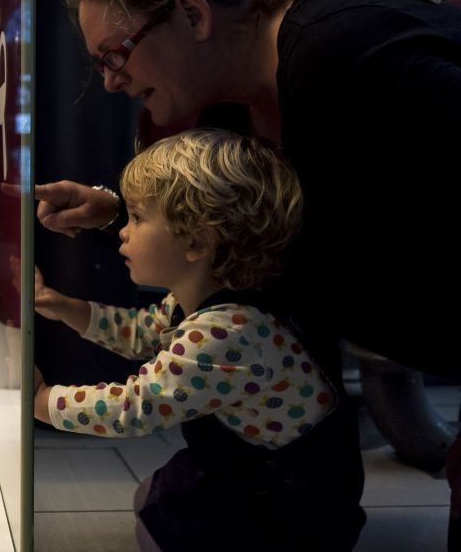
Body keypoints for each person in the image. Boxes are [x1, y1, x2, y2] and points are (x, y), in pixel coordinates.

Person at [34, 0, 461, 546]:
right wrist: (114, 214)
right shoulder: (229, 108)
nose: (111, 81)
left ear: (191, 13)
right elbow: (240, 235)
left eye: (115, 55)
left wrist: (44, 401)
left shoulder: (345, 51)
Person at [33, 128, 364, 551]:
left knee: (162, 523)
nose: (121, 231)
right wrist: (59, 304)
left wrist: (43, 402)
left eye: (137, 217)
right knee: (153, 494)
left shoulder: (228, 333)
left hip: (292, 506)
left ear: (196, 240)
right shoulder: (203, 301)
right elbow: (142, 333)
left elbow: (137, 407)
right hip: (252, 467)